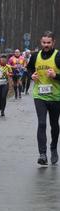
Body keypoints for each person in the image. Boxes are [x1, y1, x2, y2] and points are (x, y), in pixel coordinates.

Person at [27, 31, 60, 165]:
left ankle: (53, 148)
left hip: (56, 97)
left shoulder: (58, 56)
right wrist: (31, 76)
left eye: (48, 43)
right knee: (42, 123)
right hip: (39, 95)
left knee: (54, 125)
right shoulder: (35, 56)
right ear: (41, 42)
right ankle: (42, 154)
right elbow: (28, 69)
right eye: (44, 43)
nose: (46, 45)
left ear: (53, 42)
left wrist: (55, 76)